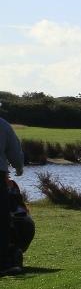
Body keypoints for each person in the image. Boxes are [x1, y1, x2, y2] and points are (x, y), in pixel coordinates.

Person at [1, 116, 24, 276]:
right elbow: (14, 150)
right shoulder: (3, 125)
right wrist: (19, 167)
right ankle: (2, 265)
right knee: (2, 219)